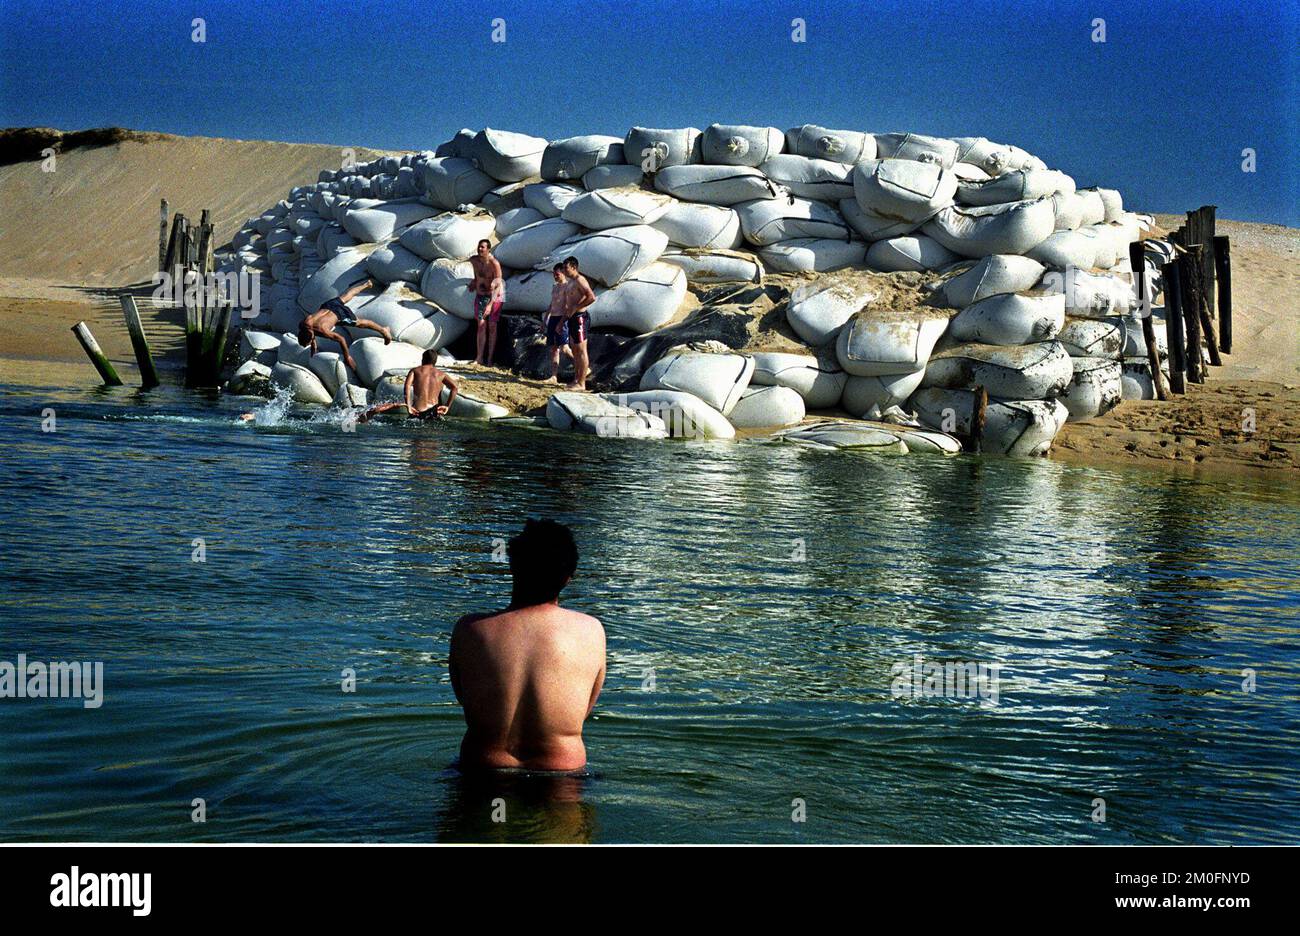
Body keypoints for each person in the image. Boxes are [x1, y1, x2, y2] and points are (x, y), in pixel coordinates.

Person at [449, 519, 606, 773]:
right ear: (568, 578)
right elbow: (582, 711)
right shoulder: (590, 631)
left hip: (483, 771)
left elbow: (465, 698)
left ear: (513, 566)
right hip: (561, 773)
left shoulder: (470, 629)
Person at [297, 276, 392, 373]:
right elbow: (309, 333)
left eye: (309, 342)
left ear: (311, 335)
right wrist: (313, 347)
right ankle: (366, 284)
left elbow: (341, 339)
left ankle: (383, 330)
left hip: (339, 314)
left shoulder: (323, 331)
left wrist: (347, 357)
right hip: (328, 306)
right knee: (346, 296)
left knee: (360, 323)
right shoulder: (304, 323)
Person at [358, 350, 459, 422]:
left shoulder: (415, 370)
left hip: (418, 411)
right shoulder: (441, 374)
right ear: (435, 362)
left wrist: (409, 406)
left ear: (423, 359)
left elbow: (407, 386)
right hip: (434, 412)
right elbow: (454, 388)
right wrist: (447, 406)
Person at [468, 239, 504, 366]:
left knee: (492, 326)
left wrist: (490, 304)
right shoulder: (474, 261)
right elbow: (477, 276)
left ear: (488, 249)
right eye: (479, 247)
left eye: (483, 247)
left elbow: (499, 285)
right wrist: (474, 282)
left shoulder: (494, 264)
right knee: (481, 325)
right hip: (481, 295)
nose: (480, 249)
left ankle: (489, 359)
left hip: (496, 296)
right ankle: (479, 357)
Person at [562, 257, 596, 391]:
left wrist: (576, 307)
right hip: (572, 318)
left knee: (581, 350)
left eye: (566, 268)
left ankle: (582, 383)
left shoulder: (580, 280)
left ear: (574, 267)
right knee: (575, 349)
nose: (564, 270)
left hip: (580, 318)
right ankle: (576, 379)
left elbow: (591, 297)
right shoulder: (571, 281)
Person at [543, 263, 571, 384]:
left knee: (564, 348)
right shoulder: (555, 286)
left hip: (562, 319)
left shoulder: (567, 287)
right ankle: (554, 376)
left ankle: (583, 368)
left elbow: (567, 306)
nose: (555, 276)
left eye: (557, 274)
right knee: (554, 348)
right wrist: (545, 318)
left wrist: (562, 321)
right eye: (554, 274)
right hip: (553, 318)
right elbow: (552, 303)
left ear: (563, 273)